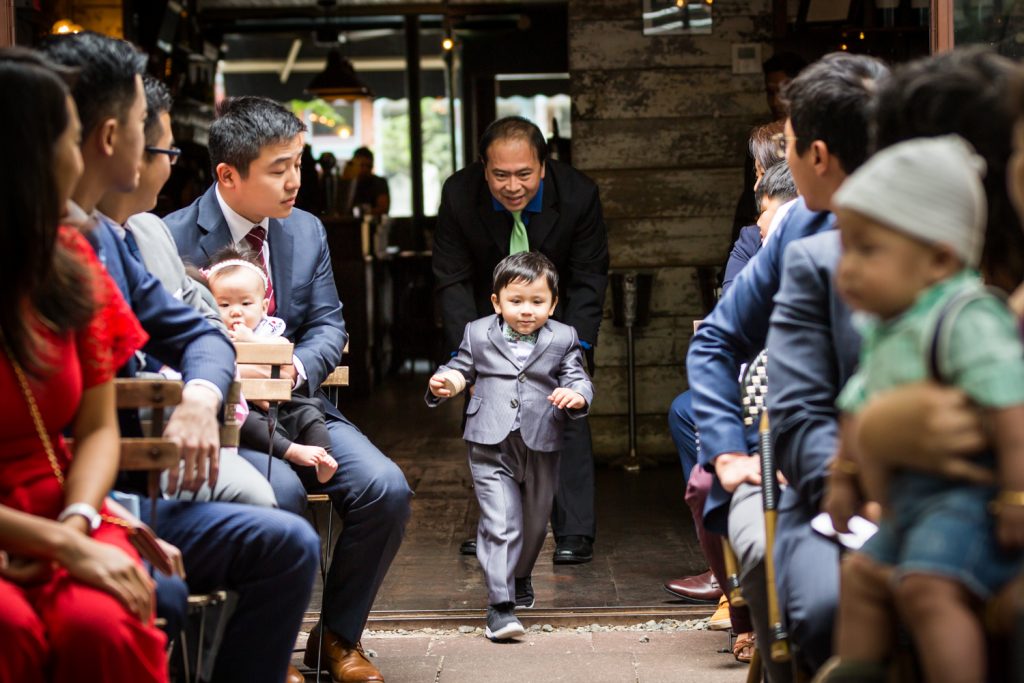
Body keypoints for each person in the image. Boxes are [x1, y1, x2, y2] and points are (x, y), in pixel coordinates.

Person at [42, 32, 319, 683]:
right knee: (164, 585)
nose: (166, 151)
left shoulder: (99, 241)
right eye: (150, 128)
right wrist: (78, 523)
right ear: (110, 136)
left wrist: (199, 395)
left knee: (291, 541)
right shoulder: (69, 239)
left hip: (109, 480)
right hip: (76, 491)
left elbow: (200, 336)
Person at [165, 95, 411, 683]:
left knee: (387, 489)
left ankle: (334, 637)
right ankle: (267, 648)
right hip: (227, 415)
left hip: (301, 404)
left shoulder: (305, 230)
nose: (295, 181)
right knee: (281, 497)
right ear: (228, 175)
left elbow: (330, 323)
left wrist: (292, 369)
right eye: (279, 169)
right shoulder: (172, 239)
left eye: (298, 163)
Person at [686, 53, 888, 680]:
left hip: (911, 474)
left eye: (791, 145)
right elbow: (715, 342)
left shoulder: (937, 223)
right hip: (794, 476)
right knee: (820, 609)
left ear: (818, 156)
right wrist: (724, 454)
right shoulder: (797, 228)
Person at [823, 136, 1024, 683]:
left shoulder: (966, 316)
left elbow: (1010, 407)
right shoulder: (888, 327)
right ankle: (858, 669)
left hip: (964, 501)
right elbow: (857, 405)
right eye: (846, 249)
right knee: (861, 574)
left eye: (868, 251)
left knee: (926, 587)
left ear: (938, 258)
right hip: (910, 500)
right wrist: (842, 475)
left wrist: (1015, 493)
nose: (847, 269)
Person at [0, 49, 168, 683]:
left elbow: (96, 427)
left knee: (100, 622)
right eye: (70, 139)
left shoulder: (68, 258)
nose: (79, 159)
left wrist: (75, 522)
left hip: (64, 501)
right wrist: (60, 543)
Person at [95, 75, 277, 507]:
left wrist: (200, 393)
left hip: (195, 421)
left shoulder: (150, 231)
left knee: (277, 516)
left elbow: (207, 328)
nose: (172, 164)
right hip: (121, 443)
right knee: (272, 513)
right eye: (168, 152)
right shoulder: (74, 244)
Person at [434, 115, 609, 564]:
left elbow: (589, 277)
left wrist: (578, 350)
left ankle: (574, 532)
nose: (513, 186)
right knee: (490, 419)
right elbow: (452, 279)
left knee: (563, 412)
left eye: (524, 174)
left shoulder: (579, 195)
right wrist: (465, 358)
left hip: (557, 314)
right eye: (500, 175)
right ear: (482, 167)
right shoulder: (458, 194)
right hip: (487, 316)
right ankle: (497, 527)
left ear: (544, 167)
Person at [426, 252, 593, 641]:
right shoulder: (477, 332)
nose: (526, 311)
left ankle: (520, 576)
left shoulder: (564, 337)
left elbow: (578, 377)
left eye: (537, 302)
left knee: (535, 523)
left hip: (542, 438)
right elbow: (460, 367)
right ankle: (499, 607)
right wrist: (445, 381)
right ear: (496, 302)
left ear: (553, 304)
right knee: (502, 521)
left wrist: (577, 395)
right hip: (489, 439)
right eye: (515, 301)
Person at [201, 245, 338, 484]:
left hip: (281, 402)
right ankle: (291, 450)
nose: (235, 312)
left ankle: (323, 457)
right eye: (224, 305)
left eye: (245, 304)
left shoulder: (267, 330)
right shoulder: (213, 332)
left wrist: (251, 341)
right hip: (242, 404)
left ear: (263, 307)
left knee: (311, 410)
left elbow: (282, 351)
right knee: (240, 418)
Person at [343, 146, 389, 216]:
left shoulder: (379, 182)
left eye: (368, 166)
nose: (365, 170)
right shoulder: (347, 183)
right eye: (361, 166)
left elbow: (383, 208)